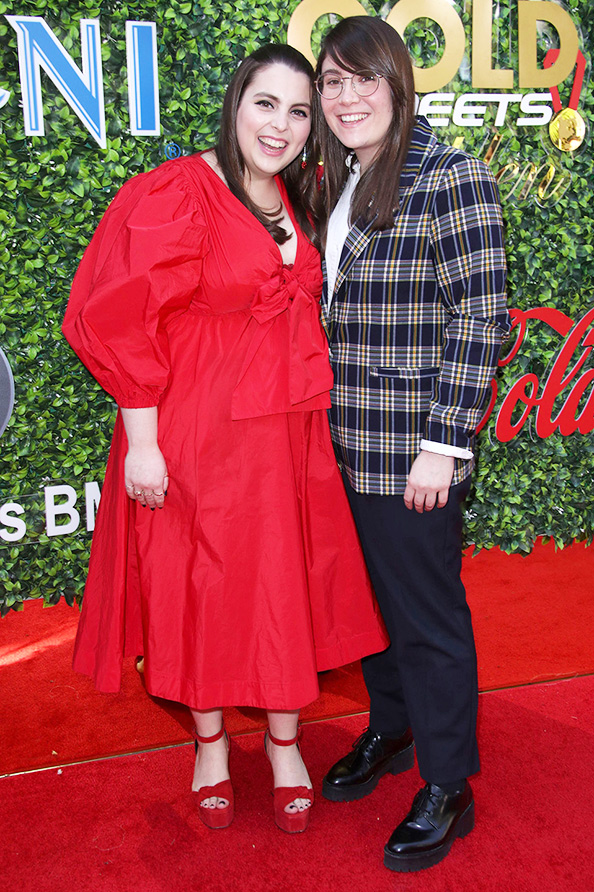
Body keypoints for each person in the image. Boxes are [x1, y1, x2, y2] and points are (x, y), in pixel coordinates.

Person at [62, 43, 388, 835]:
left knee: (282, 586)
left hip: (285, 436)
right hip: (195, 430)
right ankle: (209, 744)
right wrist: (143, 444)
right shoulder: (178, 191)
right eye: (265, 104)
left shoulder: (302, 195)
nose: (280, 125)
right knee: (198, 587)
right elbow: (118, 319)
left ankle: (284, 745)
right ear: (236, 101)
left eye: (299, 111)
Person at [314, 17, 510, 870]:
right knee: (374, 615)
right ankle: (392, 729)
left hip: (413, 450)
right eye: (332, 81)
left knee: (427, 620)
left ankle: (448, 783)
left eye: (364, 79)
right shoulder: (339, 181)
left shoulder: (450, 175)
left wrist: (445, 442)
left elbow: (480, 316)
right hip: (343, 442)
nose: (346, 97)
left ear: (399, 84)